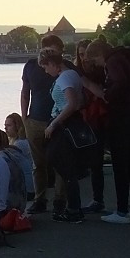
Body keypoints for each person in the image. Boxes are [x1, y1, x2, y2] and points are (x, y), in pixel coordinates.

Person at [85, 41, 130, 224]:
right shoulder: (126, 60)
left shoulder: (113, 61)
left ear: (100, 54)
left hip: (120, 117)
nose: (98, 65)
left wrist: (108, 95)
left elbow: (120, 82)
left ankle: (122, 211)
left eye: (96, 60)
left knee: (120, 165)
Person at [39, 47, 87, 223]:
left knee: (62, 165)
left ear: (53, 64)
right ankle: (74, 207)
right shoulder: (72, 75)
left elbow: (72, 103)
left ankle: (73, 210)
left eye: (45, 67)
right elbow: (80, 101)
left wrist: (54, 123)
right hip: (69, 122)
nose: (45, 71)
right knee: (65, 166)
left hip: (63, 124)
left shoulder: (65, 77)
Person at [20, 34, 67, 214]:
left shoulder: (64, 66)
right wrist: (25, 118)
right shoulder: (31, 66)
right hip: (35, 120)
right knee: (37, 163)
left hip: (58, 120)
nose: (58, 54)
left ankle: (59, 199)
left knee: (59, 161)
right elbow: (25, 92)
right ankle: (40, 199)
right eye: (56, 50)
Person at [75, 39, 110, 214]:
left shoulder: (101, 72)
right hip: (83, 119)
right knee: (87, 162)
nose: (84, 59)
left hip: (99, 120)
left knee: (96, 162)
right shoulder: (76, 73)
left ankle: (98, 199)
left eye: (87, 55)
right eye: (81, 55)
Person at [3, 112, 35, 201]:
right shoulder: (14, 141)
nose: (5, 128)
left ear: (17, 126)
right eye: (5, 125)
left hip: (28, 189)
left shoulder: (20, 144)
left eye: (9, 125)